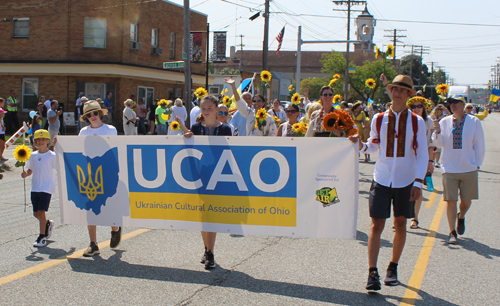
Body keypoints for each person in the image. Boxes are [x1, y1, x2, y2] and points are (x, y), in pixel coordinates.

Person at [359, 75, 428, 291]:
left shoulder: (417, 121)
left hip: (406, 180)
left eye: (402, 90)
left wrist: (418, 182)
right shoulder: (379, 119)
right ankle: (372, 273)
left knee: (400, 223)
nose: (397, 93)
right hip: (381, 177)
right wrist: (359, 145)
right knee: (376, 224)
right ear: (390, 91)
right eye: (394, 88)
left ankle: (393, 267)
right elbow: (373, 146)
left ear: (409, 94)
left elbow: (423, 154)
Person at [177, 95, 232, 269]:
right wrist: (185, 136)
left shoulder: (226, 129)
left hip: (217, 176)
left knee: (211, 215)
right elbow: (190, 149)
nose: (206, 111)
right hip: (199, 176)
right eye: (203, 108)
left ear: (217, 109)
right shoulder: (195, 127)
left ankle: (210, 253)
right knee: (203, 215)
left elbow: (229, 152)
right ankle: (206, 249)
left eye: (210, 108)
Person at [432, 95, 485, 244]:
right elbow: (439, 144)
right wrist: (437, 132)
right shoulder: (444, 121)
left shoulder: (474, 122)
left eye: (456, 102)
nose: (453, 105)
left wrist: (477, 164)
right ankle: (451, 232)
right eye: (450, 103)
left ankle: (461, 216)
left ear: (463, 104)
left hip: (469, 167)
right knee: (450, 200)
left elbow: (479, 144)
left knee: (466, 201)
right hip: (449, 167)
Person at [78, 100, 121, 256]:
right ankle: (93, 243)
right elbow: (77, 151)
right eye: (89, 115)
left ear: (100, 114)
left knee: (109, 206)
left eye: (95, 113)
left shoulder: (110, 130)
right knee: (90, 209)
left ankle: (115, 229)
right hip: (91, 174)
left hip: (109, 172)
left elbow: (114, 150)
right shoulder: (83, 132)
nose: (92, 117)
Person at [21, 129, 56, 247]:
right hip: (35, 188)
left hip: (46, 188)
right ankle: (47, 224)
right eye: (38, 140)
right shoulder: (33, 155)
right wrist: (26, 174)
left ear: (48, 141)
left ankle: (42, 237)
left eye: (44, 139)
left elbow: (60, 168)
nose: (41, 141)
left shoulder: (52, 156)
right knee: (36, 214)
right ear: (35, 142)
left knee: (41, 211)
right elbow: (31, 169)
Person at [406, 97, 436, 229]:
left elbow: (430, 144)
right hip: (406, 159)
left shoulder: (428, 122)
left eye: (419, 106)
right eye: (413, 106)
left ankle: (415, 218)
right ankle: (399, 218)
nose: (416, 109)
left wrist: (430, 161)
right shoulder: (407, 120)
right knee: (401, 188)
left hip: (421, 160)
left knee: (417, 187)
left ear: (424, 108)